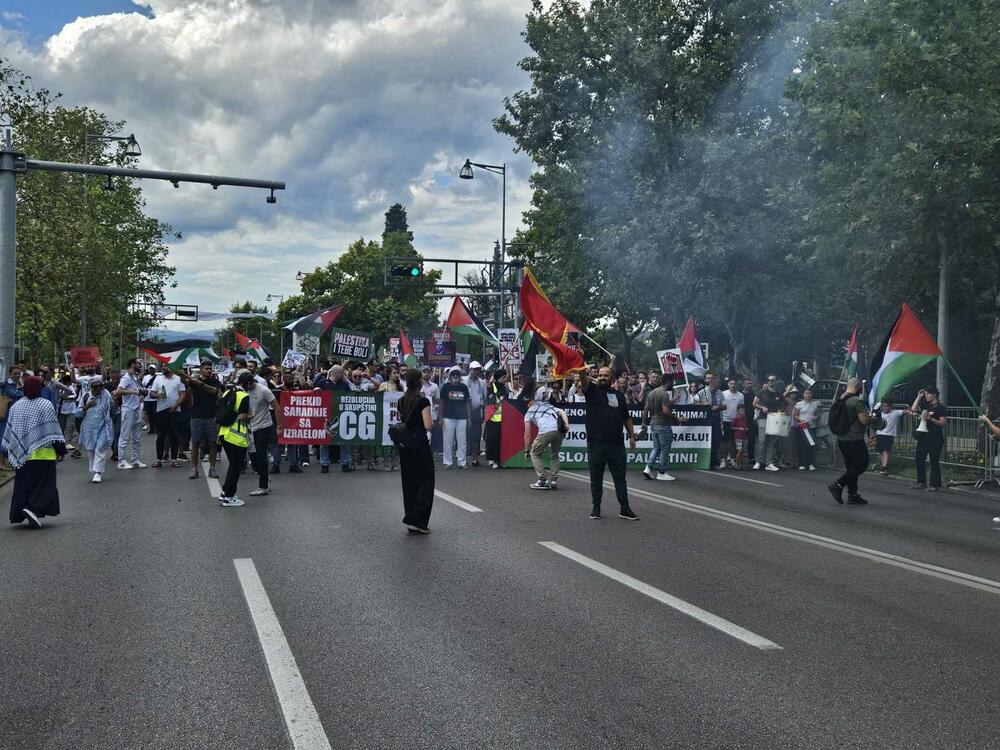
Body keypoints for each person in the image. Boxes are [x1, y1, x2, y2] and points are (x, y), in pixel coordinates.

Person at [577, 362, 639, 521]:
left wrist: (632, 436)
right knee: (596, 477)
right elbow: (583, 378)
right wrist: (580, 366)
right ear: (597, 376)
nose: (603, 377)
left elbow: (626, 417)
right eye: (600, 375)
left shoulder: (618, 395)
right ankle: (596, 508)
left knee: (620, 478)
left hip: (617, 445)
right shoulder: (591, 389)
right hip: (597, 443)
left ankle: (625, 509)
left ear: (612, 378)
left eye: (606, 375)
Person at [2, 376, 66, 528]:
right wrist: (61, 450)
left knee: (24, 485)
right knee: (45, 485)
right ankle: (32, 508)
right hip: (43, 454)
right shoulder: (45, 405)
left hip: (22, 455)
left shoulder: (17, 406)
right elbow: (53, 430)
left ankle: (23, 510)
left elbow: (10, 432)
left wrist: (8, 453)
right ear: (39, 388)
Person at [828, 377, 882, 505]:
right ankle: (838, 484)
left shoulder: (839, 399)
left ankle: (852, 495)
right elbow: (863, 420)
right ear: (858, 386)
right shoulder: (856, 401)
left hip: (842, 438)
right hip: (855, 438)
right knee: (861, 465)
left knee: (851, 468)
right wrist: (874, 419)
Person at [397, 369, 434, 533]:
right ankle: (419, 521)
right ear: (419, 381)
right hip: (419, 444)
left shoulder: (401, 400)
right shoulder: (423, 401)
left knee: (409, 482)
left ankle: (410, 516)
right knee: (425, 482)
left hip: (405, 445)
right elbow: (428, 425)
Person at [523, 377, 568, 490]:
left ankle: (542, 480)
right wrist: (566, 424)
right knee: (554, 455)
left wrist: (527, 450)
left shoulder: (530, 411)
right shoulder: (550, 406)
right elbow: (562, 411)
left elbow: (527, 435)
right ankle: (553, 480)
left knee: (534, 453)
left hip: (546, 431)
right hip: (559, 431)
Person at [179, 361, 221, 479]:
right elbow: (185, 381)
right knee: (195, 443)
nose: (209, 370)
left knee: (212, 443)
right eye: (207, 368)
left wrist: (200, 383)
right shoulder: (194, 381)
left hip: (211, 417)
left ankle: (212, 469)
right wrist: (181, 373)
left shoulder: (215, 381)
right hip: (196, 416)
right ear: (201, 369)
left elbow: (213, 391)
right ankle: (194, 469)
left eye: (210, 369)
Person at [216, 371, 252, 507]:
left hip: (224, 433)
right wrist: (250, 416)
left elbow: (222, 412)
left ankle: (225, 492)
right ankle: (229, 497)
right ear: (248, 383)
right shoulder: (244, 395)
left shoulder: (228, 391)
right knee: (236, 467)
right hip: (236, 436)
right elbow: (242, 417)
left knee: (233, 466)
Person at [245, 371, 279, 496]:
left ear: (251, 382)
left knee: (261, 456)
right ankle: (265, 477)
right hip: (249, 427)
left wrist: (279, 426)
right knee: (253, 458)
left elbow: (276, 406)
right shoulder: (243, 390)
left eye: (246, 384)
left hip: (263, 427)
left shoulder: (264, 390)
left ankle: (263, 486)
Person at [908, 386, 947, 491]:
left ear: (934, 394)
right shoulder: (925, 405)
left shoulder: (940, 408)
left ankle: (935, 484)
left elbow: (943, 423)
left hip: (935, 438)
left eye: (928, 394)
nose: (926, 396)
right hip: (923, 437)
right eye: (925, 394)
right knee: (919, 459)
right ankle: (921, 482)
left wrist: (931, 419)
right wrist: (918, 397)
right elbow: (913, 409)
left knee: (934, 461)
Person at [76, 377, 114, 483]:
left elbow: (113, 407)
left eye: (100, 386)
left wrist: (113, 401)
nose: (99, 389)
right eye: (96, 387)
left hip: (104, 426)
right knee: (91, 449)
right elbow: (78, 413)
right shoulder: (86, 396)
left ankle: (98, 473)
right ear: (91, 387)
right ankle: (94, 470)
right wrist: (87, 406)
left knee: (100, 448)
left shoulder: (106, 395)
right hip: (89, 428)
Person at [150, 364, 187, 468]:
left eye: (166, 365)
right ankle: (158, 459)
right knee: (161, 436)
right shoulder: (158, 379)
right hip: (161, 410)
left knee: (174, 435)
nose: (164, 367)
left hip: (174, 411)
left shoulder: (178, 379)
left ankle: (174, 459)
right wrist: (158, 395)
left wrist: (175, 406)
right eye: (163, 366)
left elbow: (183, 394)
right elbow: (151, 393)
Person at [114, 358, 147, 470]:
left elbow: (138, 391)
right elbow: (118, 391)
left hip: (137, 408)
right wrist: (133, 392)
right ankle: (121, 461)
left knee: (136, 437)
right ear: (133, 364)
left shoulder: (135, 378)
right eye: (138, 363)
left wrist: (142, 391)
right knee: (124, 436)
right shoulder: (126, 378)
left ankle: (135, 460)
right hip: (128, 410)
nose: (140, 365)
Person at [641, 373, 676, 481]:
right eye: (672, 382)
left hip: (653, 423)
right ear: (669, 382)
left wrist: (644, 423)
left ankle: (648, 468)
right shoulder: (664, 394)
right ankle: (662, 472)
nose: (673, 384)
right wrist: (677, 418)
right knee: (664, 449)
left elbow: (646, 409)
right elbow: (665, 411)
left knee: (656, 448)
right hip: (663, 424)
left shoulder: (652, 392)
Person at [439, 366, 470, 469]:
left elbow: (467, 403)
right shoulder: (445, 387)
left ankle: (462, 462)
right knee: (447, 440)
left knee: (462, 441)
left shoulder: (464, 387)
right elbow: (441, 403)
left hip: (462, 418)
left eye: (457, 374)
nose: (455, 376)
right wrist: (440, 418)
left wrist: (468, 417)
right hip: (448, 417)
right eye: (453, 374)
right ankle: (447, 462)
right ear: (450, 376)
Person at [752, 375, 784, 471]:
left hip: (774, 418)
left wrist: (780, 410)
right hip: (763, 418)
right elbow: (754, 403)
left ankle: (769, 462)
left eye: (772, 380)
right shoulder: (762, 392)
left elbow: (782, 404)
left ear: (776, 381)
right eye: (769, 380)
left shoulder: (778, 393)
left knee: (772, 441)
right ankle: (758, 461)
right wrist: (762, 407)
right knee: (762, 440)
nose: (770, 381)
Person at [0, 364, 25, 469]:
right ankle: (1, 463)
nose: (17, 375)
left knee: (13, 437)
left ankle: (11, 461)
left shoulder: (20, 384)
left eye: (19, 373)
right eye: (15, 373)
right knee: (3, 436)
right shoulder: (4, 384)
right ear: (9, 374)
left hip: (17, 416)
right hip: (6, 414)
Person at [698, 377, 726, 469]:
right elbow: (693, 403)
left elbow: (725, 406)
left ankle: (712, 463)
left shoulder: (720, 393)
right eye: (718, 383)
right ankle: (702, 462)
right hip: (705, 421)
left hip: (717, 420)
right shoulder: (702, 392)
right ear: (713, 383)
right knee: (706, 442)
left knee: (716, 442)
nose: (720, 385)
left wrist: (717, 407)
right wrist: (704, 405)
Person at [484, 370, 509, 468]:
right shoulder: (491, 387)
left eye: (505, 378)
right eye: (503, 378)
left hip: (504, 419)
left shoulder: (505, 388)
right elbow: (490, 401)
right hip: (493, 418)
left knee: (501, 440)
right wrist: (499, 399)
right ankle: (493, 459)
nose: (505, 380)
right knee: (492, 440)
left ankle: (500, 460)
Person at [792, 388, 820, 471]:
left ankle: (810, 463)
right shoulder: (799, 404)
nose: (808, 395)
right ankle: (801, 463)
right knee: (801, 445)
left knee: (811, 446)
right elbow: (795, 415)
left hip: (812, 427)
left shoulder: (815, 403)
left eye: (809, 393)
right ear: (803, 395)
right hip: (802, 427)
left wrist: (816, 416)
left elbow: (818, 412)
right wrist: (800, 419)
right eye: (806, 393)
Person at [874, 397, 904, 475]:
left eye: (886, 406)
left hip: (889, 435)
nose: (884, 408)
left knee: (886, 451)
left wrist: (912, 413)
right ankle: (882, 466)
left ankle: (884, 466)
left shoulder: (895, 412)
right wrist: (880, 402)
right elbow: (875, 408)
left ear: (890, 407)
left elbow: (904, 411)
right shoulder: (879, 413)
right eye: (883, 406)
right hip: (880, 434)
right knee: (880, 451)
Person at [721, 378, 744, 468]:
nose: (733, 385)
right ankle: (723, 460)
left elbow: (741, 409)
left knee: (734, 442)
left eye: (734, 383)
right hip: (725, 420)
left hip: (736, 421)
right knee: (724, 441)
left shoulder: (741, 395)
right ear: (728, 384)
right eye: (731, 383)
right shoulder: (723, 394)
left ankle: (733, 459)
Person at [420, 366, 442, 457]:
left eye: (428, 372)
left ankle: (430, 456)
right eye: (424, 372)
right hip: (419, 414)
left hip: (432, 414)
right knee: (421, 436)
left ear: (430, 373)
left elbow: (439, 401)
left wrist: (433, 398)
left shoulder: (435, 386)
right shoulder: (418, 386)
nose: (426, 373)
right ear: (421, 373)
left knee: (432, 437)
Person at [141, 364, 158, 433]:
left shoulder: (158, 377)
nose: (151, 370)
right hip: (147, 399)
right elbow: (143, 386)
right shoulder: (145, 377)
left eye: (153, 369)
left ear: (155, 370)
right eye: (150, 369)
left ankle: (156, 428)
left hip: (155, 399)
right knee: (149, 414)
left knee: (155, 414)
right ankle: (151, 428)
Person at [732, 404, 749, 468]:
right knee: (739, 450)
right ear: (738, 411)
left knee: (742, 451)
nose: (743, 412)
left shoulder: (745, 418)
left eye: (744, 411)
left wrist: (746, 428)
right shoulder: (736, 418)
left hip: (744, 436)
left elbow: (746, 426)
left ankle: (739, 463)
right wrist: (739, 428)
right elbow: (732, 427)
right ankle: (736, 463)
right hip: (738, 436)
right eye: (741, 410)